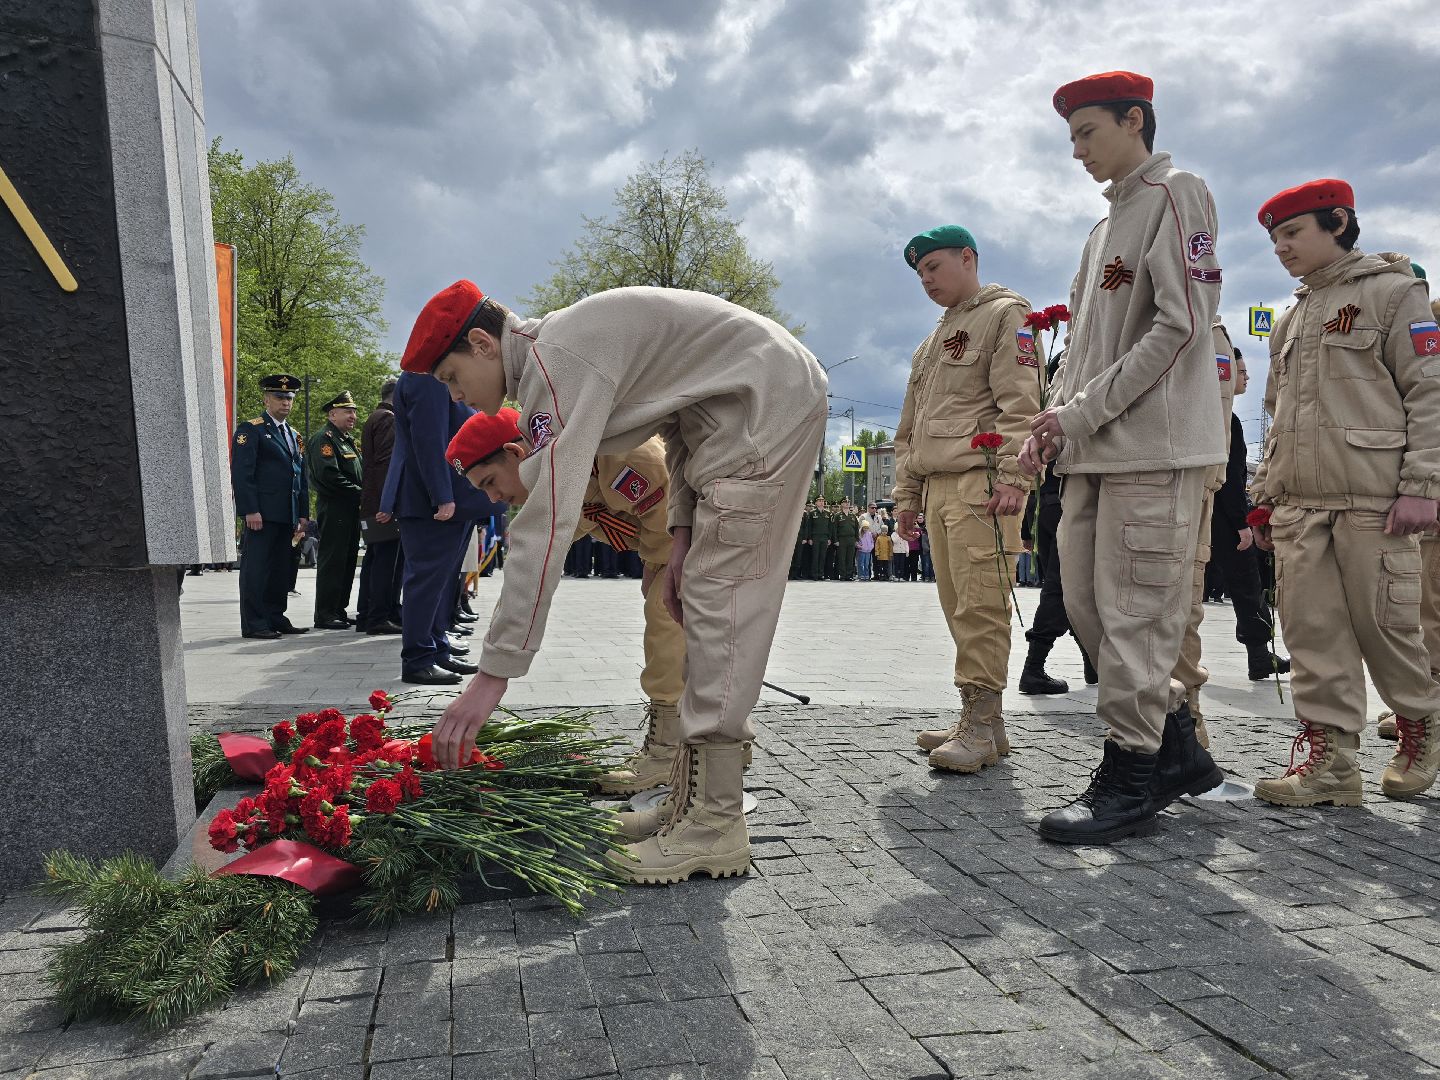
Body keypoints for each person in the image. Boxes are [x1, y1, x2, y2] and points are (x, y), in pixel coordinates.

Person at [404, 280, 827, 884]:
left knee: (720, 602)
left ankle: (716, 823)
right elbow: (682, 426)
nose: (459, 397)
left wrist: (491, 676)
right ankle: (688, 801)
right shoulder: (553, 359)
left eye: (451, 376)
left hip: (766, 403)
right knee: (699, 591)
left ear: (481, 342)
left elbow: (545, 520)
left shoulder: (556, 364)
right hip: (735, 409)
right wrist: (680, 534)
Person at [1020, 71, 1225, 843]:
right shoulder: (1102, 229)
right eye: (1070, 138)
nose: (1076, 152)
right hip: (1092, 450)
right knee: (1087, 607)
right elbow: (1084, 353)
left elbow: (1180, 327)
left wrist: (1083, 411)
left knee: (1136, 613)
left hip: (1154, 446)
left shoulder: (1178, 193)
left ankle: (1133, 775)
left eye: (1088, 133)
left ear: (1134, 120)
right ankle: (1175, 748)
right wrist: (1055, 418)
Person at [1248, 181, 1440, 804]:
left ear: (1338, 222)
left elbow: (1428, 393)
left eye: (1292, 233)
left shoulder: (1395, 292)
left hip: (1374, 501)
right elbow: (1276, 411)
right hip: (1301, 504)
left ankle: (1423, 725)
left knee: (1387, 628)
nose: (1281, 247)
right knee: (1313, 634)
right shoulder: (1293, 315)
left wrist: (1423, 486)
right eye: (1274, 238)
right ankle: (1332, 765)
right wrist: (1263, 493)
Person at [446, 411, 690, 800]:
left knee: (668, 630)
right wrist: (493, 669)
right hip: (668, 544)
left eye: (490, 482)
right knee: (681, 635)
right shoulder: (559, 473)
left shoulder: (622, 457)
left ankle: (672, 752)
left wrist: (658, 564)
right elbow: (529, 574)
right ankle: (709, 739)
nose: (492, 497)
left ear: (514, 451)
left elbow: (674, 521)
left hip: (706, 537)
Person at [894, 226, 1043, 772]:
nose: (926, 280)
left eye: (934, 266)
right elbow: (910, 429)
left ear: (968, 258)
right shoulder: (932, 341)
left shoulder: (1007, 315)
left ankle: (980, 727)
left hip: (983, 486)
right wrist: (905, 495)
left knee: (981, 603)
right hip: (937, 488)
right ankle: (983, 721)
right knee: (958, 607)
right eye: (919, 273)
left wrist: (1014, 477)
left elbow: (1021, 403)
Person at [379, 371, 486, 685]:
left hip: (449, 496)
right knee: (426, 580)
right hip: (429, 498)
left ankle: (436, 648)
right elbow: (430, 438)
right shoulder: (427, 376)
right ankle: (418, 658)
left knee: (441, 580)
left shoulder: (437, 374)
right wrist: (442, 494)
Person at [1208, 350, 1289, 681]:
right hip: (1226, 520)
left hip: (1206, 515)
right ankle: (1259, 656)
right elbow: (1230, 477)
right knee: (1247, 587)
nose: (1246, 377)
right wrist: (1242, 523)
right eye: (1241, 372)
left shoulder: (1213, 416)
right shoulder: (1227, 420)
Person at [231, 373, 310, 640]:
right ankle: (254, 622)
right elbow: (243, 473)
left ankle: (276, 616)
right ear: (266, 399)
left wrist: (302, 513)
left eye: (289, 397)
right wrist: (250, 510)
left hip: (286, 513)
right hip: (262, 513)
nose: (285, 402)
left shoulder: (294, 435)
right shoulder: (251, 429)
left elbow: (301, 476)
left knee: (280, 569)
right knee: (257, 569)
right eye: (279, 396)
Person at [306, 390, 365, 630]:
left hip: (350, 508)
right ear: (332, 414)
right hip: (335, 507)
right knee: (333, 560)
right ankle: (325, 613)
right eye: (347, 411)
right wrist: (362, 493)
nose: (353, 416)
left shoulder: (346, 439)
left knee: (348, 560)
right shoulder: (325, 439)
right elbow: (329, 476)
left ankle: (339, 609)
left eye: (354, 412)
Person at [357, 379, 403, 635]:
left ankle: (368, 614)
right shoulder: (388, 419)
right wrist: (390, 503)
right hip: (383, 505)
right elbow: (387, 465)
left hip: (374, 503)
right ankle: (379, 616)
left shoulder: (376, 417)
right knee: (386, 563)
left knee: (376, 561)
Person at [809, 496, 835, 581]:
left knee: (823, 556)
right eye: (819, 501)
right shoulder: (812, 513)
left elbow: (830, 527)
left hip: (824, 537)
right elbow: (809, 527)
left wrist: (829, 538)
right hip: (815, 537)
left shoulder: (828, 513)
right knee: (815, 556)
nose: (821, 502)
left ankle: (821, 574)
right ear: (816, 503)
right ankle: (814, 574)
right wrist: (810, 538)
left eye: (823, 501)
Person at [835, 500, 859, 580]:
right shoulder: (838, 515)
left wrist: (856, 539)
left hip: (851, 539)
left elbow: (856, 528)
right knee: (842, 558)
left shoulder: (853, 516)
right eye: (845, 502)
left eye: (848, 502)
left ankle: (849, 575)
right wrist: (836, 540)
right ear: (841, 504)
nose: (847, 503)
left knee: (850, 558)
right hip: (842, 539)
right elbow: (834, 529)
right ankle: (842, 575)